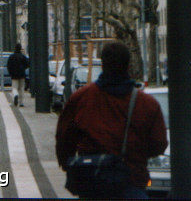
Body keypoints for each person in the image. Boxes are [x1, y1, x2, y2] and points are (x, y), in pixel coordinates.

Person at [56, 41, 168, 199]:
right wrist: (135, 154)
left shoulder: (81, 98)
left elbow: (64, 137)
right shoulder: (147, 104)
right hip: (132, 180)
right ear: (128, 65)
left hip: (92, 182)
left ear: (102, 64)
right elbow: (159, 144)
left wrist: (70, 165)